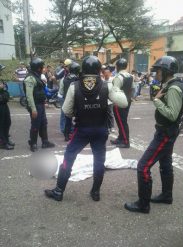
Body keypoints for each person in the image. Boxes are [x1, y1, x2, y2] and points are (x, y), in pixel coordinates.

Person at [44, 56, 128, 202]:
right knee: (99, 161)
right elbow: (123, 103)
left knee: (69, 158)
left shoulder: (74, 86)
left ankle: (59, 191)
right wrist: (115, 87)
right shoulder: (106, 86)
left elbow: (67, 111)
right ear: (98, 69)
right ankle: (95, 192)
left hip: (82, 130)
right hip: (100, 131)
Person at [124, 56, 183, 214]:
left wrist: (157, 102)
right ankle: (167, 195)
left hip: (166, 133)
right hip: (166, 131)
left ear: (165, 71)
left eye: (157, 71)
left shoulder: (173, 88)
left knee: (143, 166)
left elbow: (172, 114)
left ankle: (143, 204)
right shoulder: (171, 85)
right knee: (165, 164)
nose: (155, 74)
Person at [24, 58, 55, 152]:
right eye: (42, 67)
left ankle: (45, 141)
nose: (43, 68)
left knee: (43, 123)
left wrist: (44, 101)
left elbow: (39, 91)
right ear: (38, 68)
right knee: (35, 124)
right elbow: (29, 96)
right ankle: (33, 143)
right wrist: (33, 109)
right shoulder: (30, 78)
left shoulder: (37, 76)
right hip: (35, 106)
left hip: (40, 105)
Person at [110, 58, 133, 148]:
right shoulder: (130, 76)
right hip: (128, 100)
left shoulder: (118, 77)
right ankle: (120, 138)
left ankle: (125, 141)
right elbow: (132, 88)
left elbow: (115, 91)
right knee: (122, 121)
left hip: (119, 102)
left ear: (117, 67)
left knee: (121, 122)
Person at [59, 62, 80, 141]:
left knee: (68, 119)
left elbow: (61, 91)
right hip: (76, 100)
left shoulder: (65, 77)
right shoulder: (77, 78)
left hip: (67, 100)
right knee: (78, 118)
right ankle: (76, 134)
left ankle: (66, 135)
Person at [0, 80, 14, 150]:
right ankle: (3, 143)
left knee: (7, 122)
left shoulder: (3, 88)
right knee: (1, 125)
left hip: (4, 106)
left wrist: (3, 88)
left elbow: (6, 96)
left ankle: (6, 139)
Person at [102, 65, 115, 133]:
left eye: (108, 73)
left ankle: (112, 126)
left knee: (110, 113)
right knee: (104, 114)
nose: (106, 74)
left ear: (110, 73)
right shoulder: (102, 81)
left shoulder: (113, 80)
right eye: (105, 73)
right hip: (103, 101)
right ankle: (106, 127)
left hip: (110, 100)